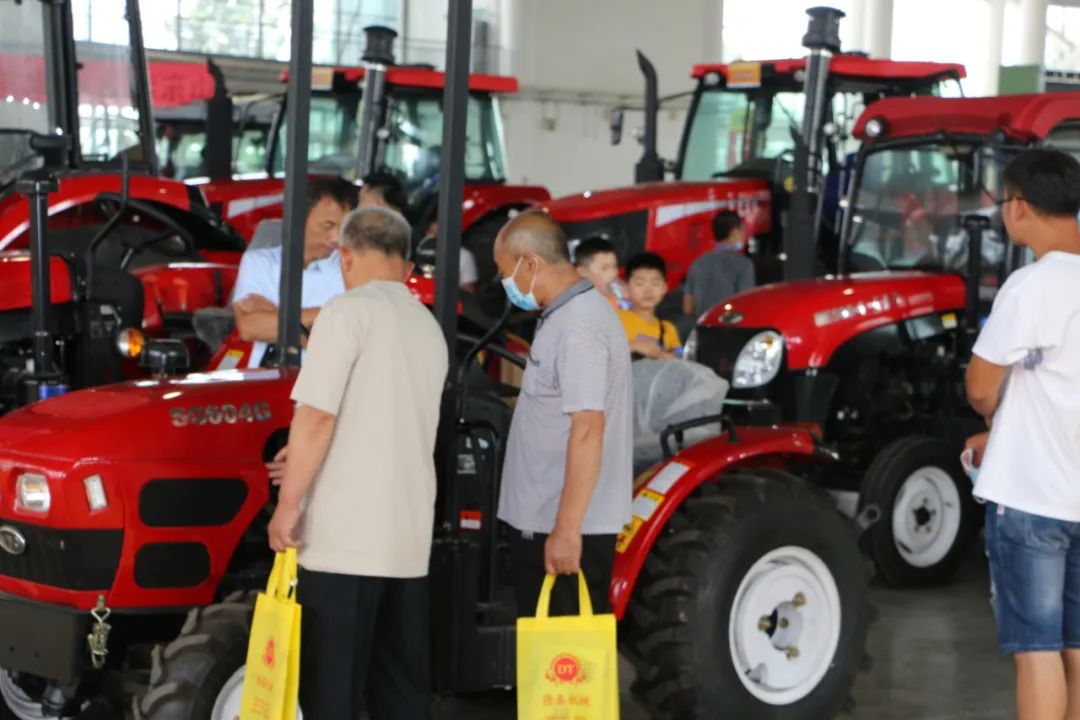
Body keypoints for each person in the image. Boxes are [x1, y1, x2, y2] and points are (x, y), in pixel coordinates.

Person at [267, 206, 448, 720]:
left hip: (344, 542)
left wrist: (288, 503)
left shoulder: (345, 313)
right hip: (407, 540)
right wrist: (304, 456)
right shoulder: (427, 325)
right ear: (405, 264)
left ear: (345, 257)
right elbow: (384, 420)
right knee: (400, 694)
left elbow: (317, 416)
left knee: (332, 695)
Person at [963, 148, 1080, 720]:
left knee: (1036, 652)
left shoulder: (1031, 285)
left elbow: (982, 388)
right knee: (1077, 648)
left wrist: (995, 421)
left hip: (1032, 500)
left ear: (1020, 207)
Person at [493, 210, 632, 616]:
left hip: (565, 531)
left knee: (564, 654)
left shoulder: (579, 326)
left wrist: (567, 530)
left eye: (505, 272)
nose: (505, 283)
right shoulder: (563, 316)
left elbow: (588, 429)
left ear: (530, 263)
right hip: (546, 522)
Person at [231, 178, 356, 367]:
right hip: (268, 378)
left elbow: (346, 343)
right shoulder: (260, 262)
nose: (336, 238)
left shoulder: (351, 269)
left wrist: (274, 313)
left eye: (344, 228)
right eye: (327, 226)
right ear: (299, 219)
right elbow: (249, 327)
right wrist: (320, 319)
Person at [683, 210, 755, 317]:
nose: (745, 235)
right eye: (743, 230)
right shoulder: (744, 264)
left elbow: (688, 309)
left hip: (703, 325)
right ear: (734, 232)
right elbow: (746, 305)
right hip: (729, 325)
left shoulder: (697, 263)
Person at [618, 252, 682, 360]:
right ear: (626, 288)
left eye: (655, 283)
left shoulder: (668, 329)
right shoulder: (615, 319)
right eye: (639, 283)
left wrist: (663, 356)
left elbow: (680, 360)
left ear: (664, 288)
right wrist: (634, 345)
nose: (648, 291)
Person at [573, 236, 625, 309]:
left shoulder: (622, 299)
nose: (612, 274)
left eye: (614, 266)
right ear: (582, 272)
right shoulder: (576, 306)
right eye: (604, 268)